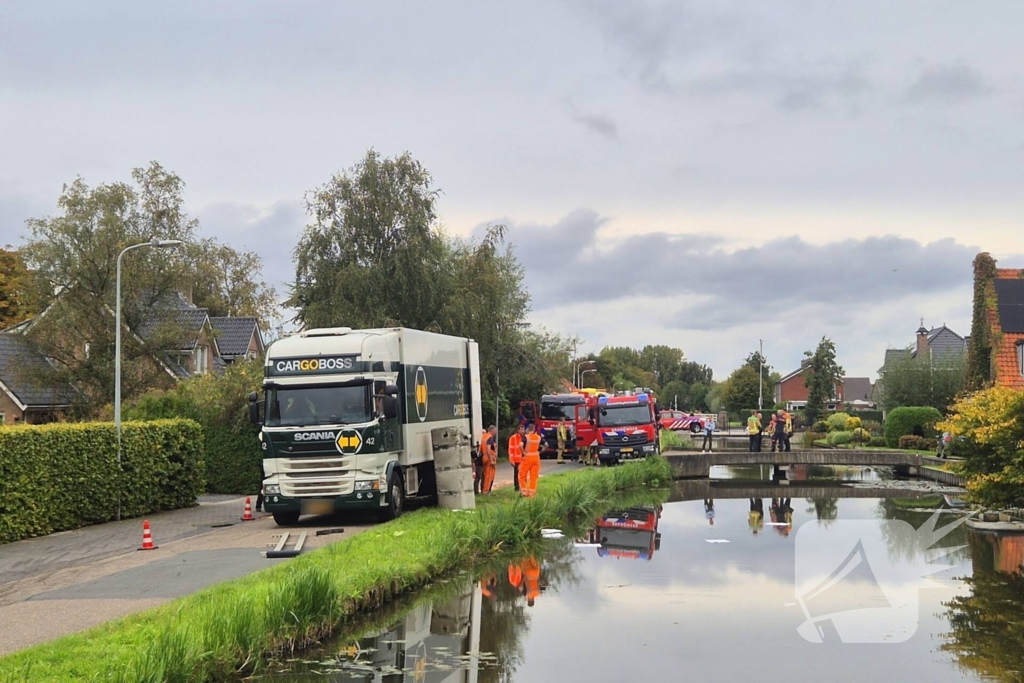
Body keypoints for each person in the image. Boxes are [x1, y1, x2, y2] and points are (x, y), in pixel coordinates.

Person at [519, 423, 542, 497]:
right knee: (533, 477)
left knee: (522, 476)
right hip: (536, 458)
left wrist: (523, 453)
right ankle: (532, 494)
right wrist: (539, 452)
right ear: (534, 429)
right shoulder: (538, 437)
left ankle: (524, 492)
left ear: (528, 429)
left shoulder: (526, 437)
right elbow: (546, 445)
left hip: (527, 458)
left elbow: (520, 445)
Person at [481, 425, 498, 494]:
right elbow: (488, 448)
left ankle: (485, 490)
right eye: (495, 431)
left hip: (484, 457)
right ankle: (486, 491)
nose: (496, 432)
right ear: (492, 430)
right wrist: (491, 459)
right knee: (489, 475)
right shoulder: (490, 437)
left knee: (486, 474)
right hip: (489, 458)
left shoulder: (484, 436)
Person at [508, 425, 525, 492]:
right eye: (521, 430)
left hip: (523, 459)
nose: (522, 431)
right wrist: (511, 460)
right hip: (516, 460)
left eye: (523, 430)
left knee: (523, 474)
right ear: (518, 430)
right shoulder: (513, 438)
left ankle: (523, 487)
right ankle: (517, 488)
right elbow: (511, 450)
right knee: (516, 474)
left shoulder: (525, 437)